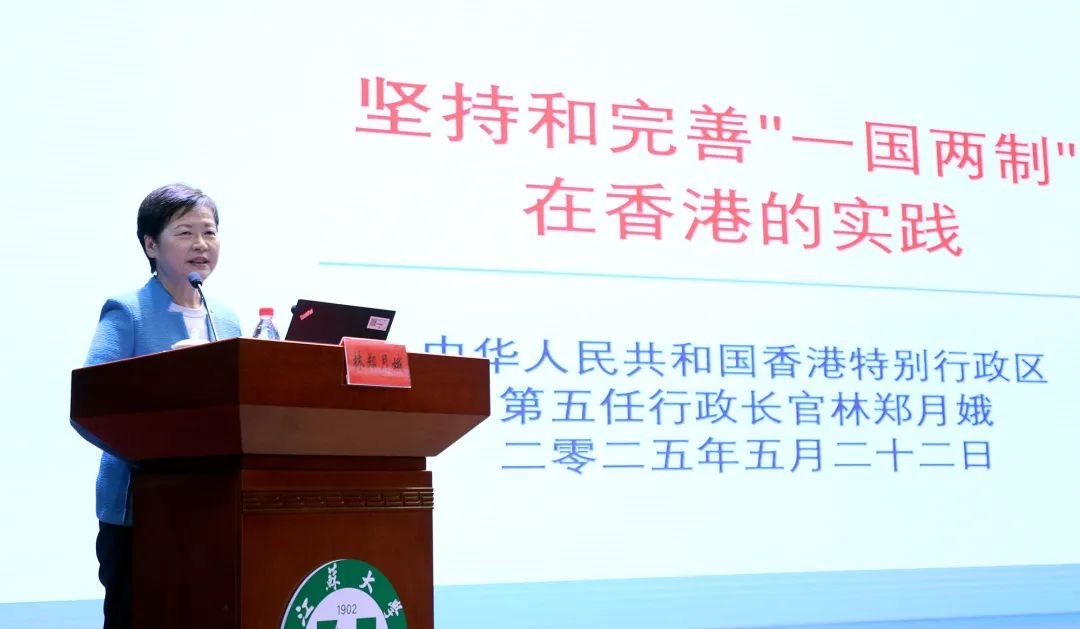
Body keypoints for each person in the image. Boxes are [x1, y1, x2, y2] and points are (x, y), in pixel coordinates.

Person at [81, 183, 242, 628]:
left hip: (212, 504)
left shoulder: (226, 319)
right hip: (140, 509)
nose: (201, 244)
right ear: (151, 245)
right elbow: (93, 402)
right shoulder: (128, 311)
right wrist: (151, 452)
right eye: (185, 233)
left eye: (209, 232)